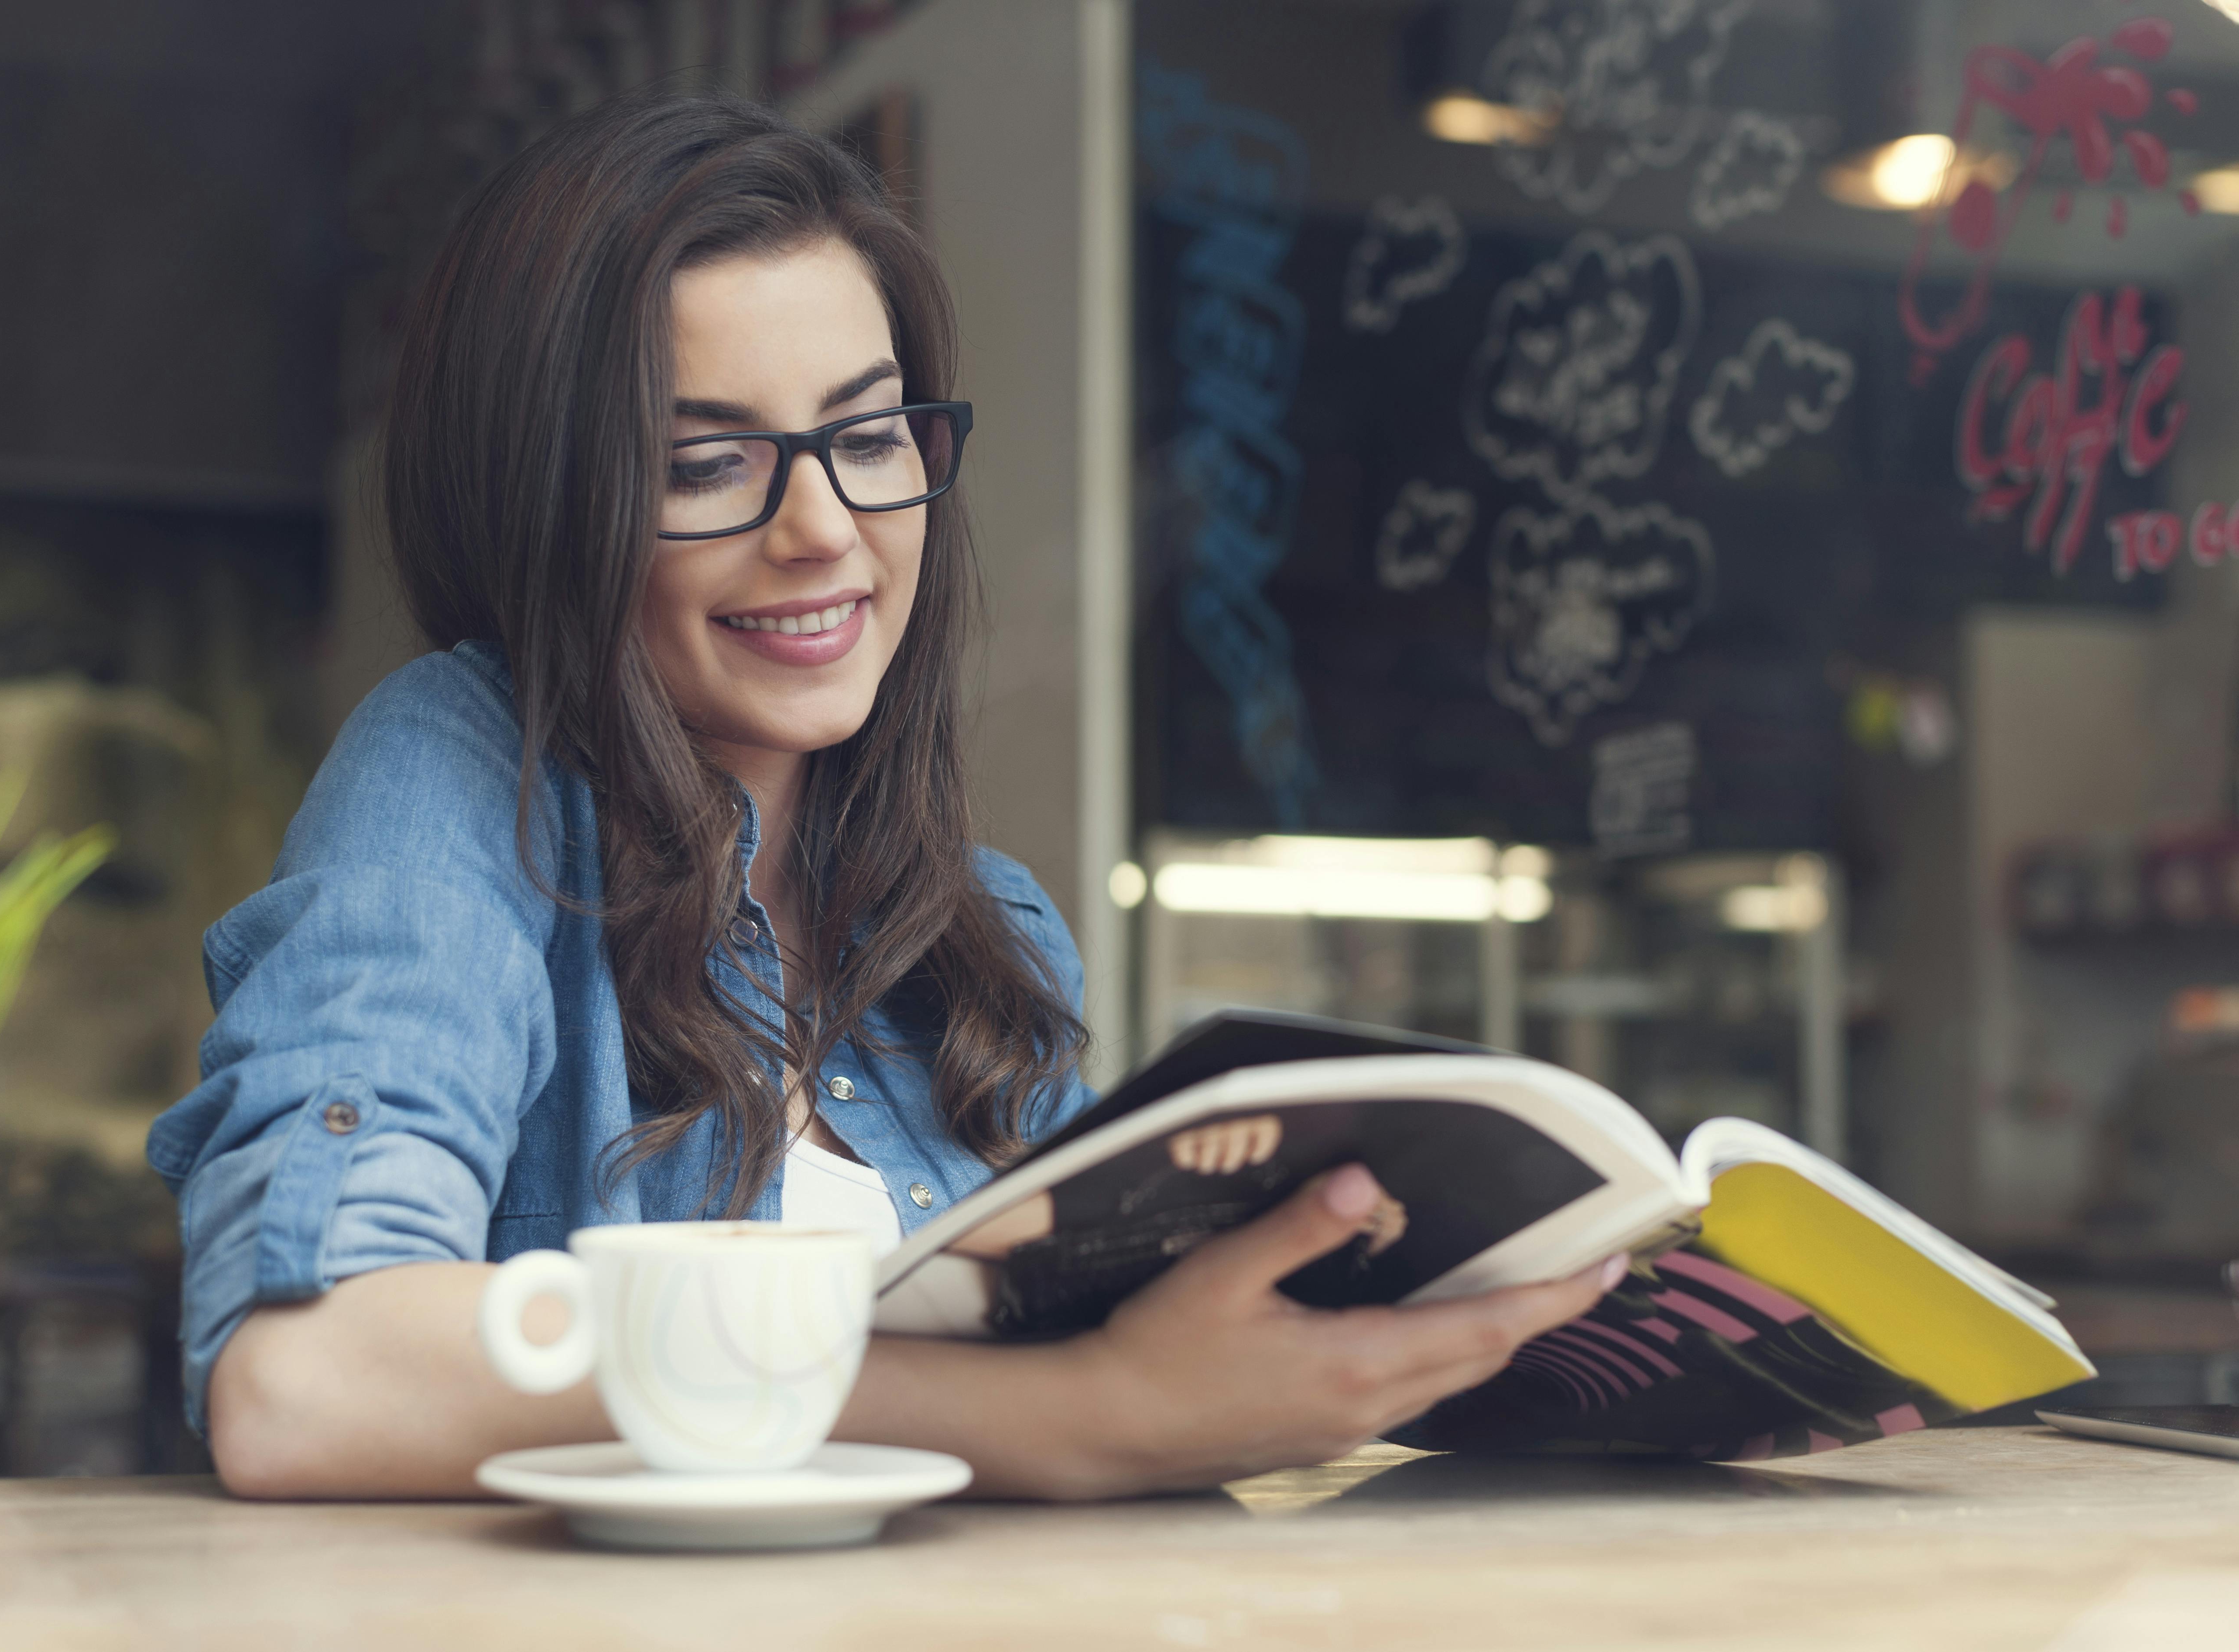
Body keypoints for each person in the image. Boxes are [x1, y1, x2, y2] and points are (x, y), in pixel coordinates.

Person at [146, 88, 1617, 1502]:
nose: (823, 529)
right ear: (547, 497)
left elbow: (1124, 1369)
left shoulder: (993, 931)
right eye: (708, 462)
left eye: (867, 437)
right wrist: (1074, 1421)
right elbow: (304, 1374)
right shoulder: (465, 774)